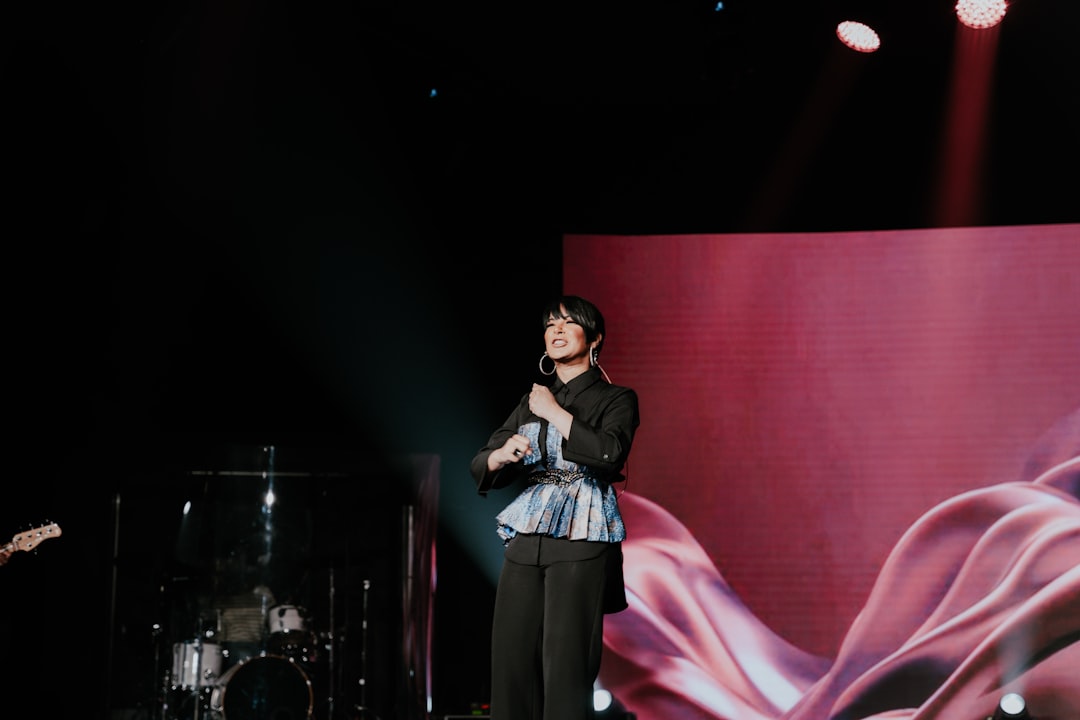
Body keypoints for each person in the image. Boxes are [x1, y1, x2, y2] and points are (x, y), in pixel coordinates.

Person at [470, 295, 640, 720]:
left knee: (566, 664)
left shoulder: (616, 398)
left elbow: (609, 454)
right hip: (528, 536)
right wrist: (501, 454)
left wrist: (555, 413)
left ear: (594, 338)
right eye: (550, 325)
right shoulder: (532, 399)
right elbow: (482, 462)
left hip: (582, 534)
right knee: (510, 658)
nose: (557, 330)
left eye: (568, 323)